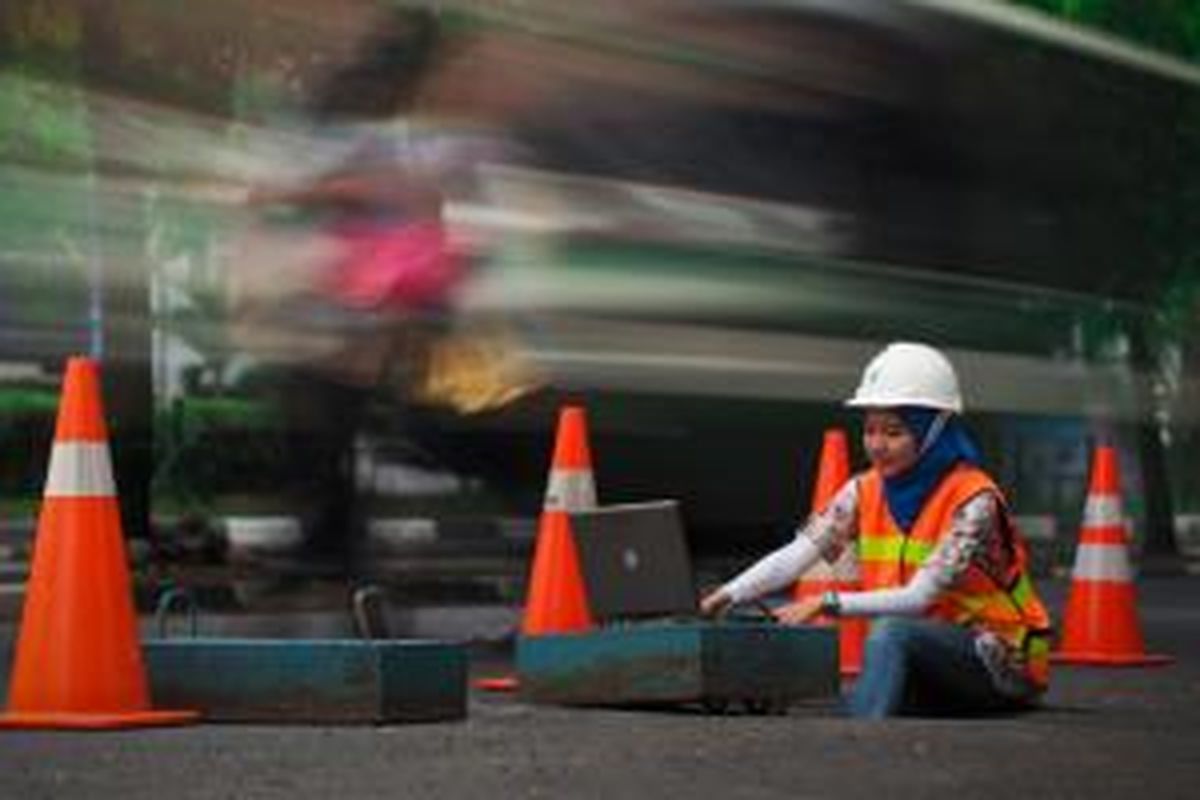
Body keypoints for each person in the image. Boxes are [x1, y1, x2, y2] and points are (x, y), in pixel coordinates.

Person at [700, 342, 1052, 718]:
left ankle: (861, 737)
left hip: (1003, 664)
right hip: (925, 655)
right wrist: (727, 595)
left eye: (893, 433)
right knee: (775, 617)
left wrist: (826, 603)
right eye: (869, 431)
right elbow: (797, 554)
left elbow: (919, 599)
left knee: (891, 633)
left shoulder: (973, 500)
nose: (877, 446)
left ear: (932, 432)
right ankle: (856, 717)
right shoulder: (864, 489)